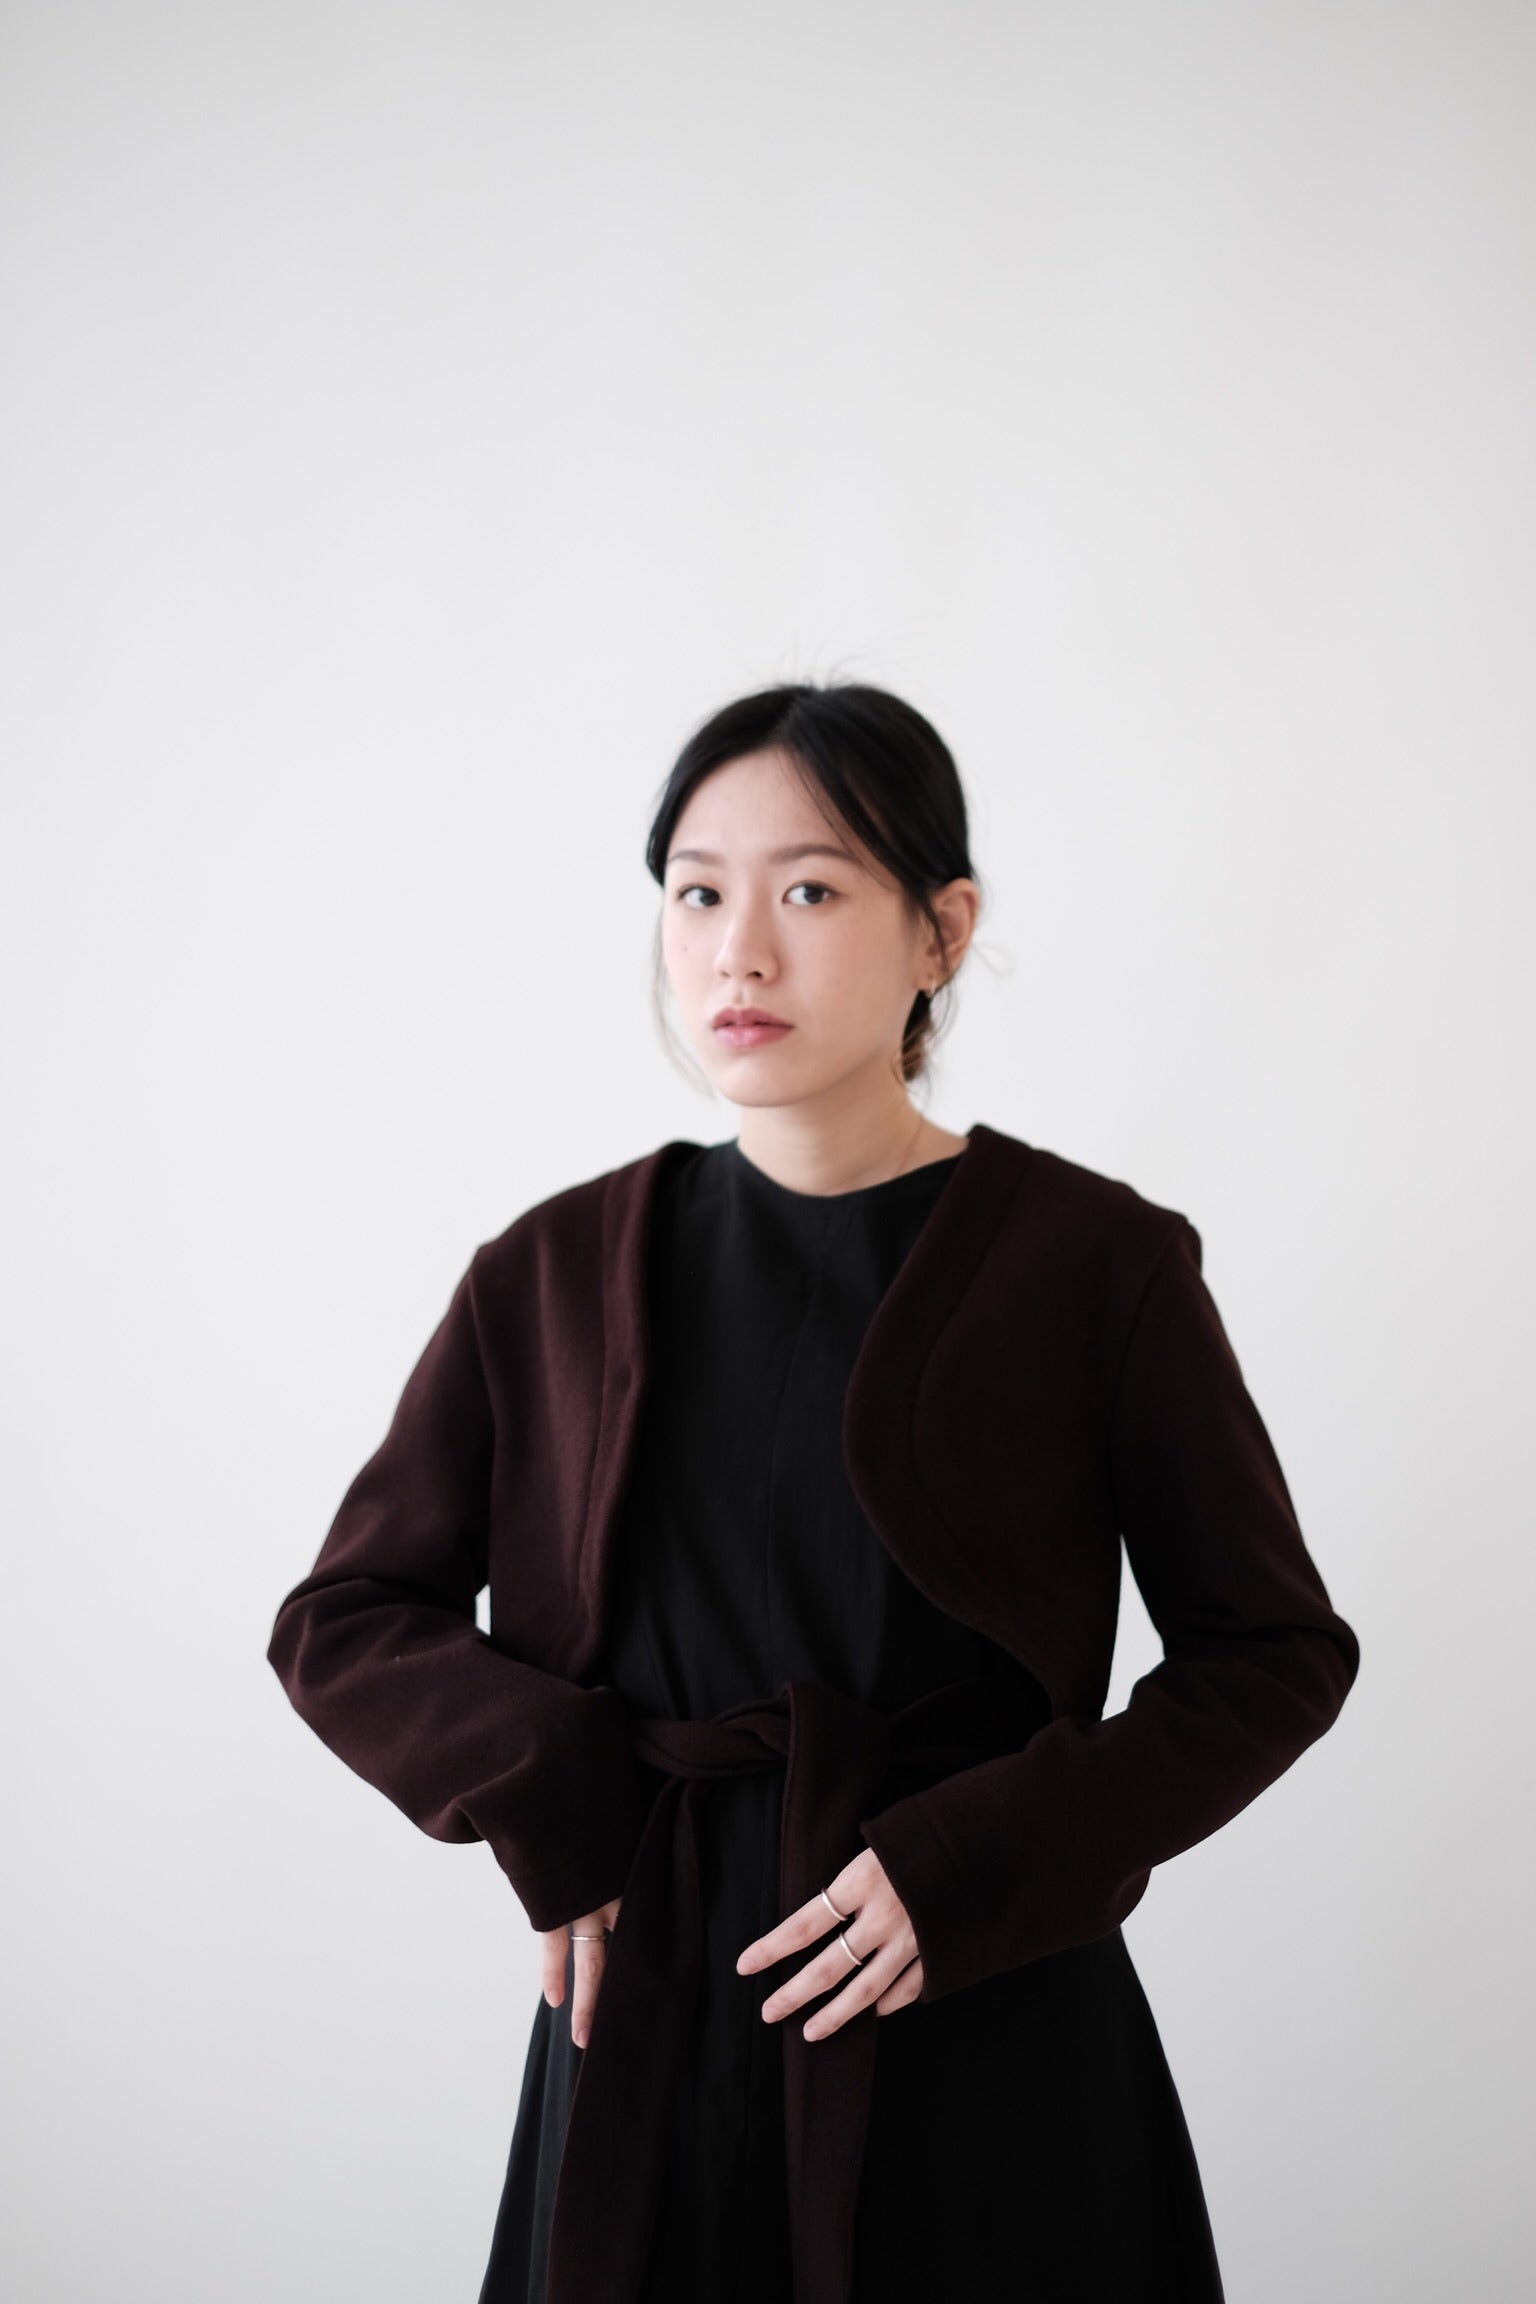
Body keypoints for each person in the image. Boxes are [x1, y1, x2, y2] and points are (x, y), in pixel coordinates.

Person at [267, 680, 1361, 2304]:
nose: (739, 953)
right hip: (647, 2030)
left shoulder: (1098, 1265)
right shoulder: (547, 1274)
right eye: (697, 893)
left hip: (981, 2015)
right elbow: (346, 1620)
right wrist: (553, 1796)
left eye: (811, 891)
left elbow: (1272, 1654)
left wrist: (982, 1860)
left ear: (942, 930)